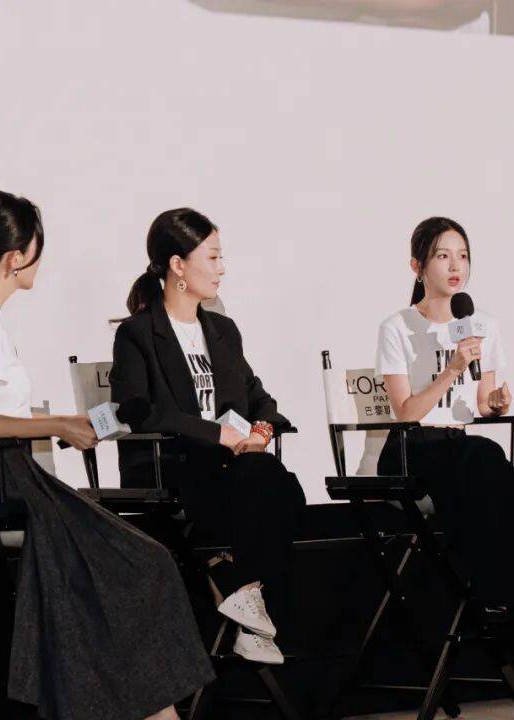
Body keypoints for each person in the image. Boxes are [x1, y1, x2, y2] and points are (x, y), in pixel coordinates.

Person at [0, 190, 213, 720]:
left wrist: (59, 425)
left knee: (129, 563)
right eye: (36, 247)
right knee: (146, 562)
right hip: (2, 476)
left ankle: (149, 710)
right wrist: (57, 423)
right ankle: (155, 712)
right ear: (16, 257)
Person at [110, 208, 306, 664]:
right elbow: (139, 410)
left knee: (275, 483)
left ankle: (241, 587)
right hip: (173, 469)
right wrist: (217, 434)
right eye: (213, 257)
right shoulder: (138, 334)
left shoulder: (222, 331)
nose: (222, 268)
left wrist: (260, 431)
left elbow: (260, 399)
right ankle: (241, 590)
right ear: (178, 265)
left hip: (230, 472)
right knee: (262, 482)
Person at [375, 216, 514, 611]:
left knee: (497, 472)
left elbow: (481, 404)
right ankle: (487, 592)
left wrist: (497, 402)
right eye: (442, 256)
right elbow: (405, 413)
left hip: (459, 447)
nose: (455, 266)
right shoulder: (397, 327)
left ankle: (507, 591)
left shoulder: (482, 325)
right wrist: (451, 370)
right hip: (411, 449)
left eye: (462, 256)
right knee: (485, 464)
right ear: (417, 266)